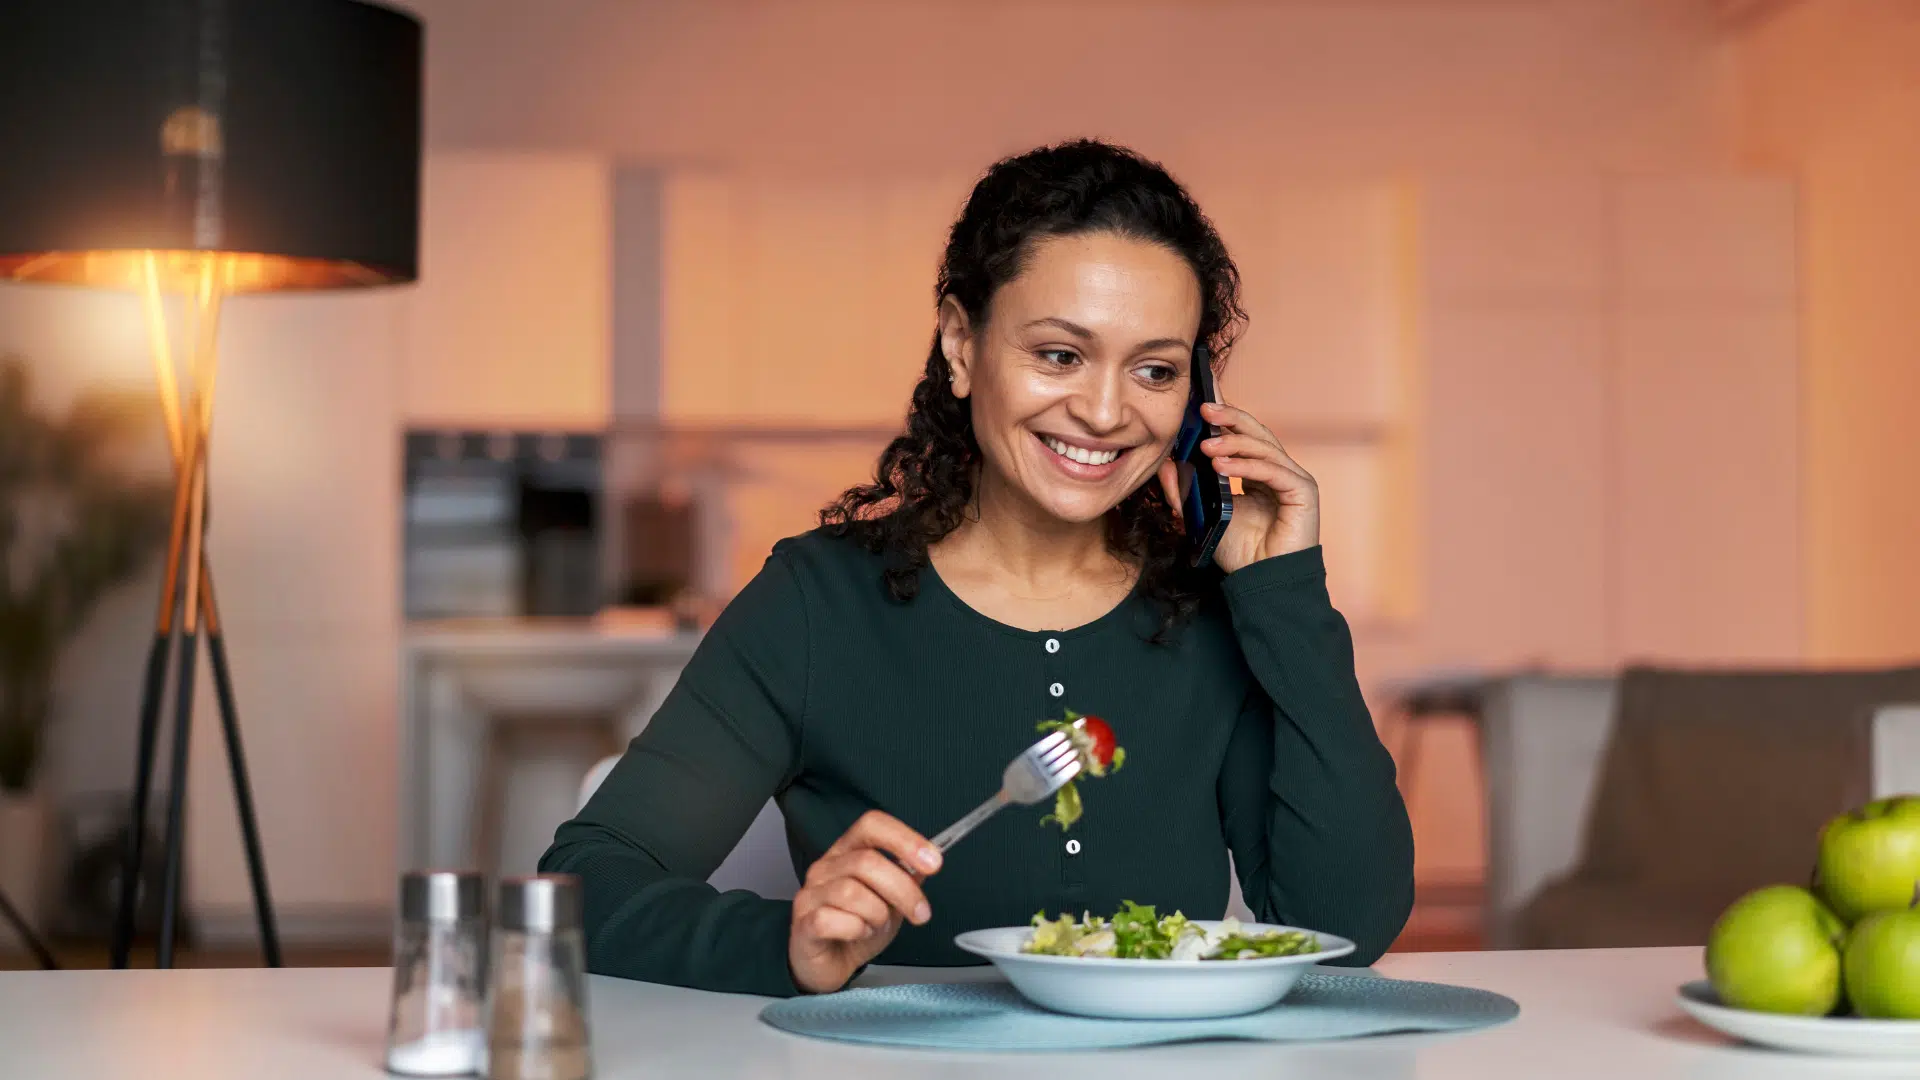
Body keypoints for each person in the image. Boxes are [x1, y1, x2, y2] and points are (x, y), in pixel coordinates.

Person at [540, 139, 1415, 997]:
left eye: (1154, 370)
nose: (1106, 411)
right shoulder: (816, 606)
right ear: (962, 346)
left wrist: (1283, 592)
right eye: (1059, 355)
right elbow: (583, 885)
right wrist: (787, 941)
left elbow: (1342, 930)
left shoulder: (1217, 612)